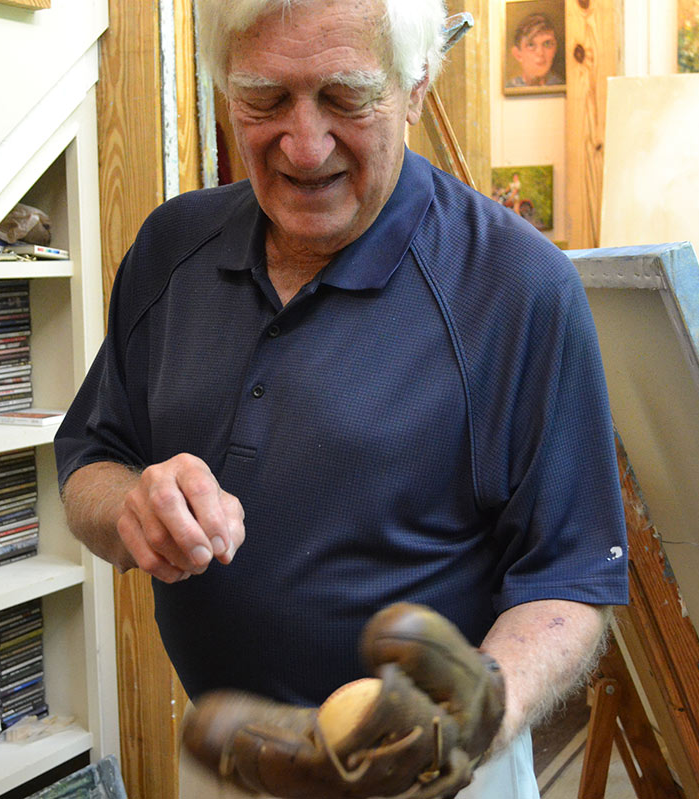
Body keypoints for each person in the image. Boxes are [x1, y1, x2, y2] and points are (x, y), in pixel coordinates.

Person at [54, 0, 627, 796]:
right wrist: (130, 506)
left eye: (345, 98)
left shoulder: (517, 286)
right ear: (225, 88)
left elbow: (570, 578)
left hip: (443, 773)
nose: (304, 144)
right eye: (264, 98)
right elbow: (91, 456)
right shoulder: (168, 249)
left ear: (417, 85)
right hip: (228, 767)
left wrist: (474, 714)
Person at [506, 13, 564, 88]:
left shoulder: (563, 88)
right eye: (531, 45)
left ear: (555, 49)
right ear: (518, 54)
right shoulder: (510, 88)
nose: (540, 53)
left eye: (547, 44)